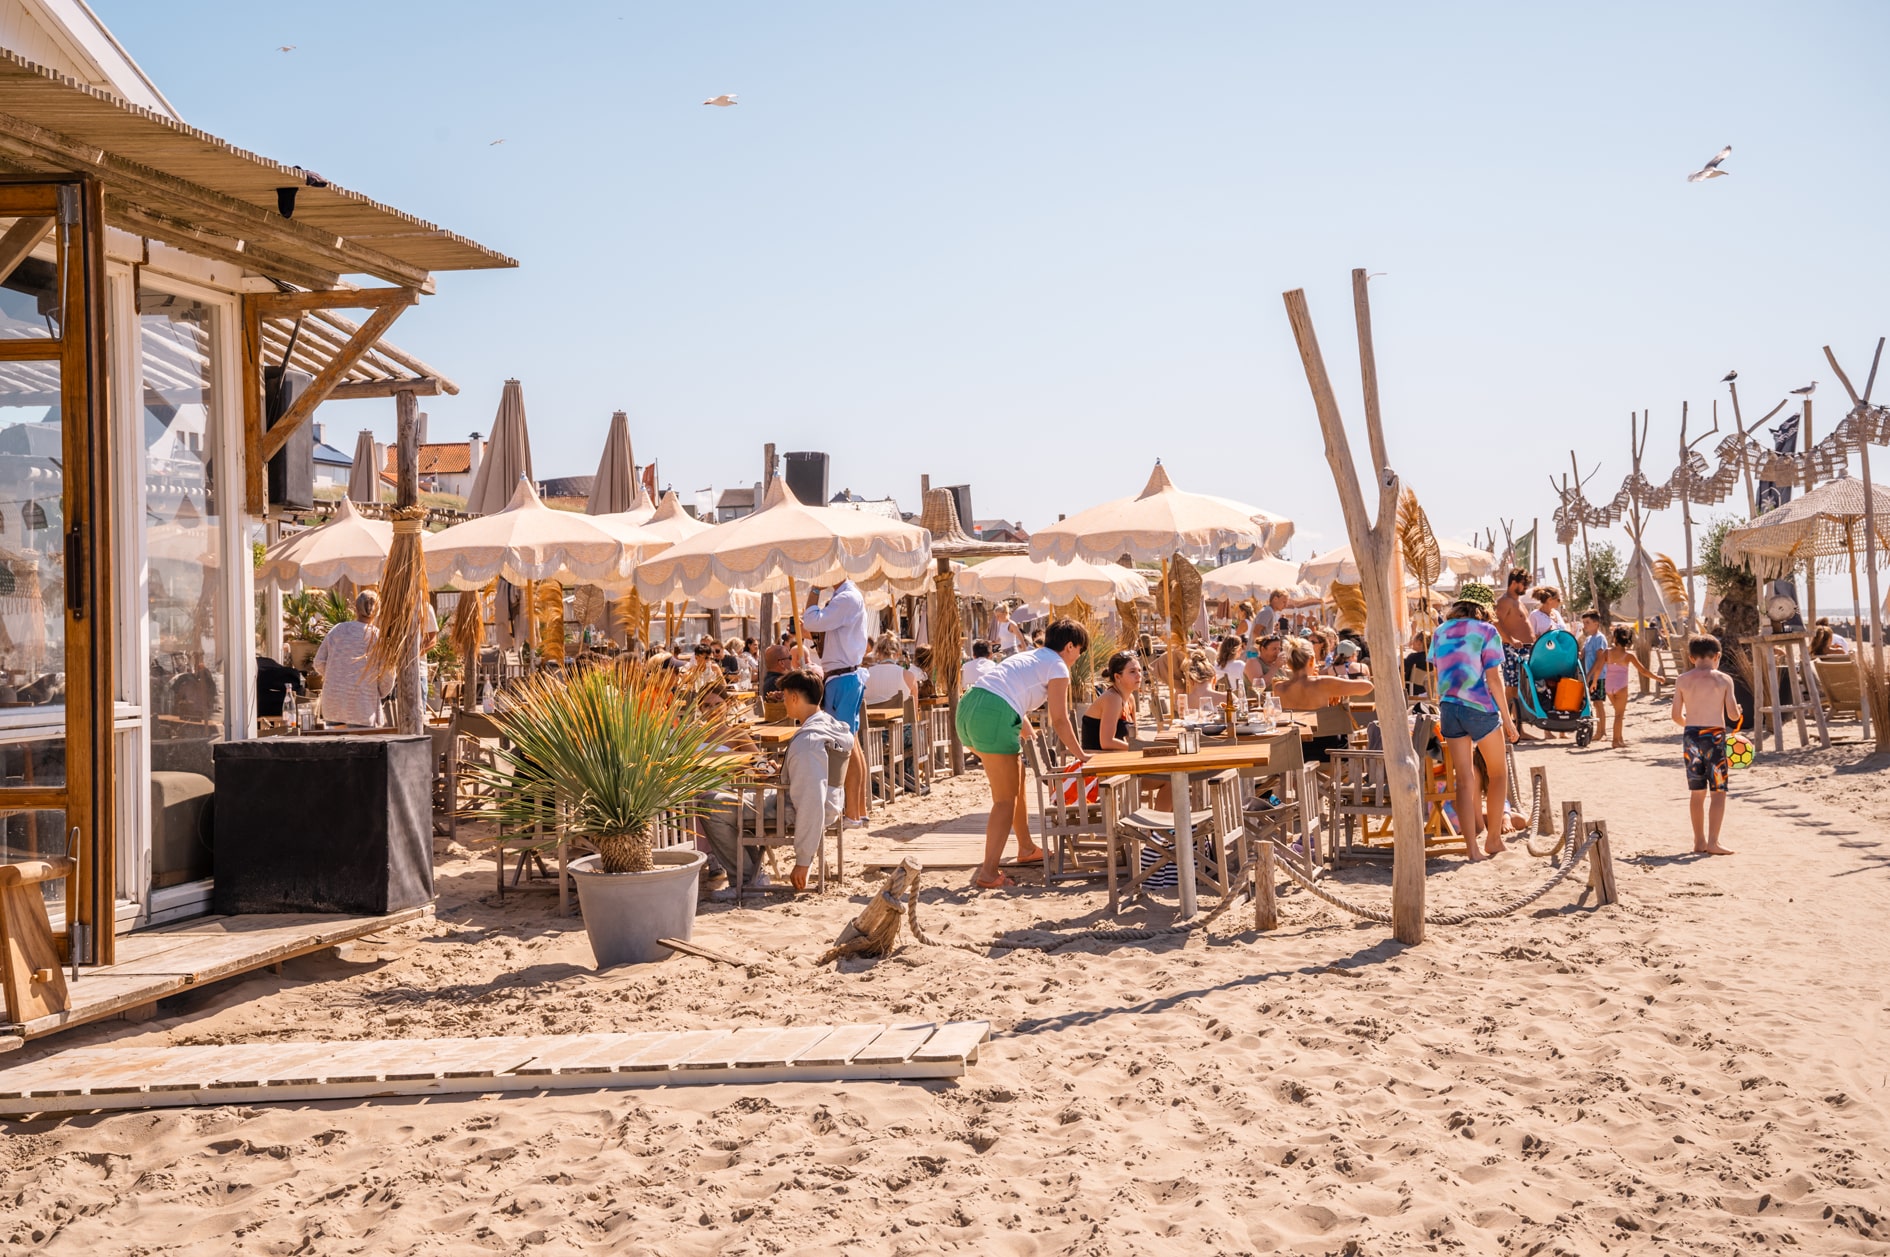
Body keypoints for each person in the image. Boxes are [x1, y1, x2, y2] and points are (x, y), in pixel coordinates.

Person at [956, 617, 1089, 890]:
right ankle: (989, 874)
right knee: (1004, 801)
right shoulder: (1058, 666)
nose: (1080, 656)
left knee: (1016, 780)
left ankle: (1026, 847)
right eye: (1081, 650)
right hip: (993, 713)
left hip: (969, 707)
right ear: (1070, 646)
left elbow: (1010, 691)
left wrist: (1028, 732)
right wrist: (1082, 755)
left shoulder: (1032, 656)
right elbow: (1060, 719)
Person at [701, 669, 852, 892]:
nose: (782, 702)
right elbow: (814, 780)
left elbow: (811, 799)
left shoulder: (808, 741)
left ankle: (744, 880)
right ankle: (752, 874)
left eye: (783, 696)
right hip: (825, 802)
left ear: (794, 697)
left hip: (794, 807)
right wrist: (783, 770)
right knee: (728, 802)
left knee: (710, 806)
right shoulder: (828, 725)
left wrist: (803, 861)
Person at [1427, 588, 1517, 858]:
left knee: (1464, 781)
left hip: (1449, 709)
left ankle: (1472, 848)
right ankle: (1493, 840)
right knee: (1498, 774)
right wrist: (1509, 720)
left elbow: (1437, 672)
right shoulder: (1487, 631)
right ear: (1484, 608)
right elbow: (1494, 680)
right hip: (1479, 708)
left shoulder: (1440, 632)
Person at [802, 578, 870, 823]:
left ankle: (852, 814)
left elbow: (809, 621)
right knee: (852, 745)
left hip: (842, 678)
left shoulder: (846, 597)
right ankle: (858, 811)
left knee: (845, 748)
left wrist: (815, 589)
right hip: (846, 676)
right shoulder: (849, 596)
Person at [1671, 635, 1739, 856]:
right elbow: (1732, 714)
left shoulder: (1682, 680)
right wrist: (1738, 710)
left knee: (1697, 791)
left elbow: (1675, 715)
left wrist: (1690, 725)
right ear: (1717, 656)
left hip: (1691, 736)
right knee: (1718, 792)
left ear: (1691, 658)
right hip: (1715, 737)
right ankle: (1713, 842)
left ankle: (1699, 841)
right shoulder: (1724, 679)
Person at [1274, 636, 1374, 763]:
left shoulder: (1279, 688)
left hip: (1294, 752)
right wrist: (1337, 690)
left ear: (1288, 663)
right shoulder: (1323, 683)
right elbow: (1368, 687)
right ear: (1311, 660)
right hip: (1329, 752)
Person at [311, 590, 391, 728]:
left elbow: (318, 662)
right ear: (378, 612)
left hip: (334, 703)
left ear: (356, 609)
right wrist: (376, 690)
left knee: (335, 747)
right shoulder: (378, 638)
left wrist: (336, 676)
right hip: (363, 706)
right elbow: (387, 675)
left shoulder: (337, 630)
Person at [1599, 624, 1672, 747]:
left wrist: (1595, 681)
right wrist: (1657, 678)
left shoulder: (1607, 653)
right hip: (1621, 686)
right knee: (1619, 715)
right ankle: (1615, 741)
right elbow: (1643, 671)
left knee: (1618, 713)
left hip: (1609, 686)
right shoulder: (1629, 656)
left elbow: (1598, 667)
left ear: (1615, 639)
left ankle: (1620, 738)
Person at [1493, 570, 1539, 741]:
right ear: (1514, 583)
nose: (1525, 588)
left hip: (1525, 650)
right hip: (1512, 649)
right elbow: (1495, 622)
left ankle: (1517, 727)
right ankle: (1509, 728)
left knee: (1520, 688)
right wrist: (1511, 640)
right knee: (1511, 688)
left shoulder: (1517, 602)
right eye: (1523, 584)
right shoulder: (1505, 601)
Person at [1081, 650, 1141, 751]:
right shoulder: (1113, 698)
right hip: (1096, 760)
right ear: (1117, 677)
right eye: (1132, 671)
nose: (1139, 675)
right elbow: (1107, 742)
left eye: (1139, 670)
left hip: (1114, 757)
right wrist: (1139, 748)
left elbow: (1134, 738)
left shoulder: (1130, 698)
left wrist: (1151, 747)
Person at [862, 632, 922, 706]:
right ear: (897, 653)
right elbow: (914, 714)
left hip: (870, 717)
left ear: (878, 652)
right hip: (900, 717)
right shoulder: (909, 677)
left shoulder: (864, 676)